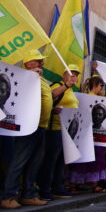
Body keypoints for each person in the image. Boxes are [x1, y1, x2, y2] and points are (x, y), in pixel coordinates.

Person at [1, 49, 53, 209]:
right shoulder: (23, 77)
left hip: (41, 126)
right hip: (28, 126)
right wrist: (30, 77)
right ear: (28, 63)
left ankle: (28, 194)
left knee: (35, 162)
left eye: (41, 60)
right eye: (38, 60)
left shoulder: (40, 78)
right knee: (20, 160)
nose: (42, 63)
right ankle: (9, 196)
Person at [37, 64, 80, 201]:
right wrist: (66, 85)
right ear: (64, 75)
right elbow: (50, 96)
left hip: (66, 131)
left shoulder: (72, 91)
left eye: (76, 75)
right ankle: (45, 188)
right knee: (51, 160)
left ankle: (57, 186)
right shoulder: (58, 85)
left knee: (61, 160)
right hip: (54, 129)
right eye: (71, 73)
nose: (74, 77)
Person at [68, 76, 106, 193]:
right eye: (101, 85)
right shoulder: (86, 98)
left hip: (95, 135)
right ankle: (77, 183)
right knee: (86, 158)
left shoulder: (99, 98)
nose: (101, 88)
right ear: (95, 85)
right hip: (86, 134)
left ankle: (91, 182)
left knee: (96, 158)